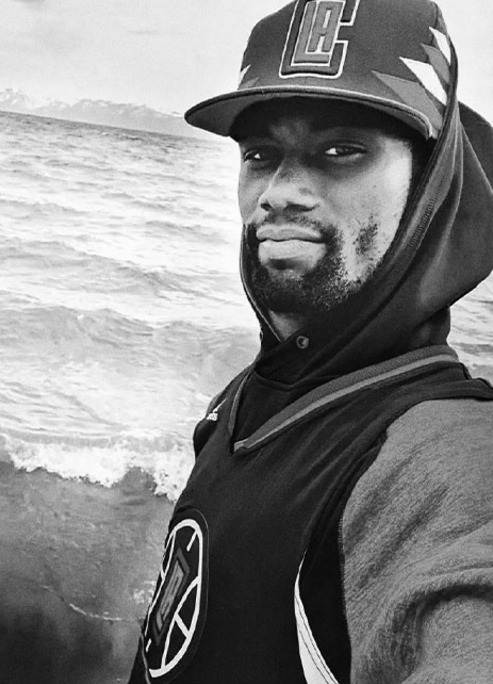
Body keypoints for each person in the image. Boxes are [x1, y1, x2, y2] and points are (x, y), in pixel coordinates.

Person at [129, 0, 493, 682]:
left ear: (428, 185)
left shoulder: (448, 458)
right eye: (260, 155)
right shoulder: (245, 399)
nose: (279, 192)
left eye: (340, 151)